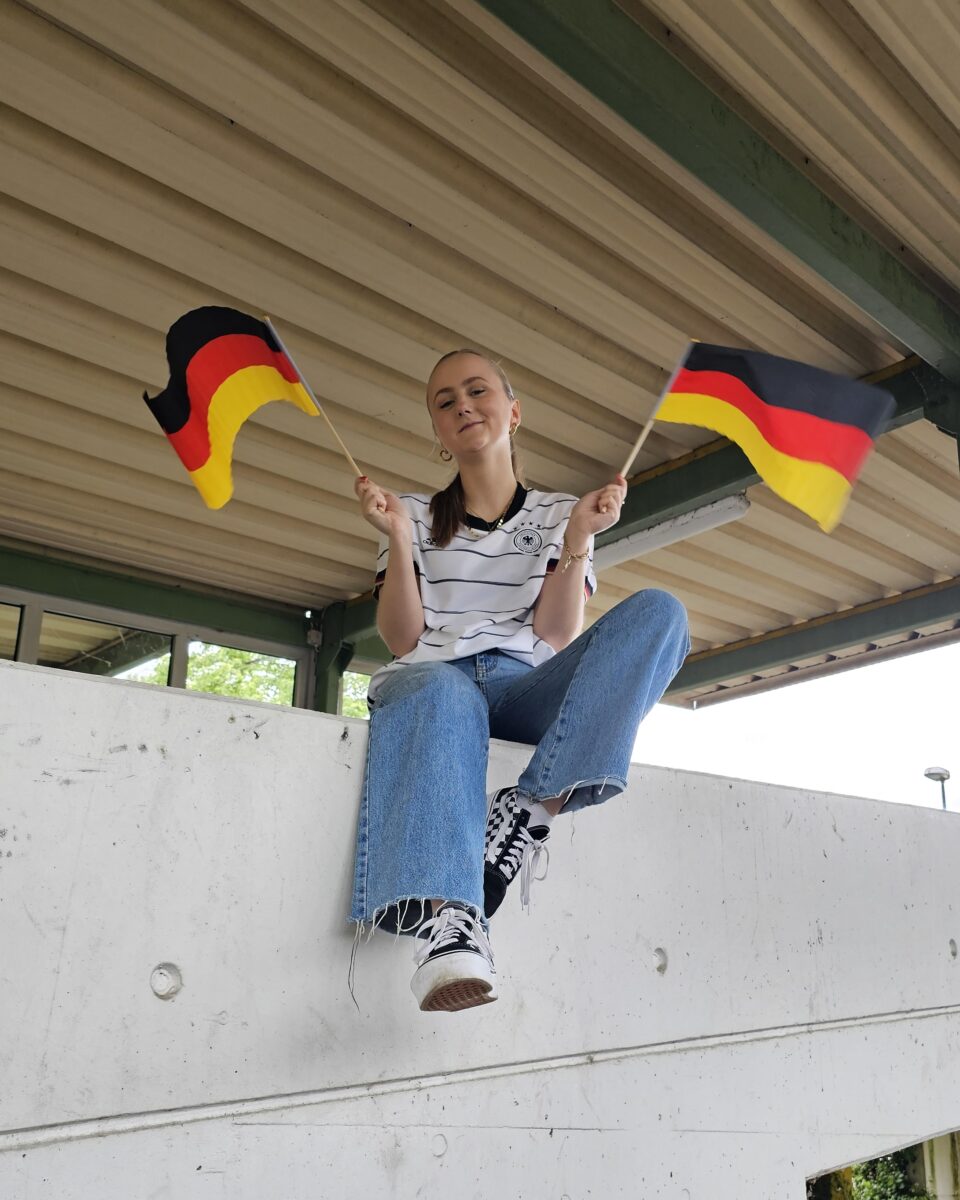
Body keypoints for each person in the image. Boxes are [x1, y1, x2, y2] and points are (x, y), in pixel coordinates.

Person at [351, 349, 689, 1013]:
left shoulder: (563, 513)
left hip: (521, 687)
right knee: (443, 687)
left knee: (663, 614)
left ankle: (532, 809)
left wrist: (579, 541)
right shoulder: (410, 514)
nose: (462, 406)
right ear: (439, 432)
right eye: (444, 402)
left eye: (477, 392)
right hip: (433, 681)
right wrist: (397, 539)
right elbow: (402, 640)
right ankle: (453, 929)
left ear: (514, 411)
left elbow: (557, 634)